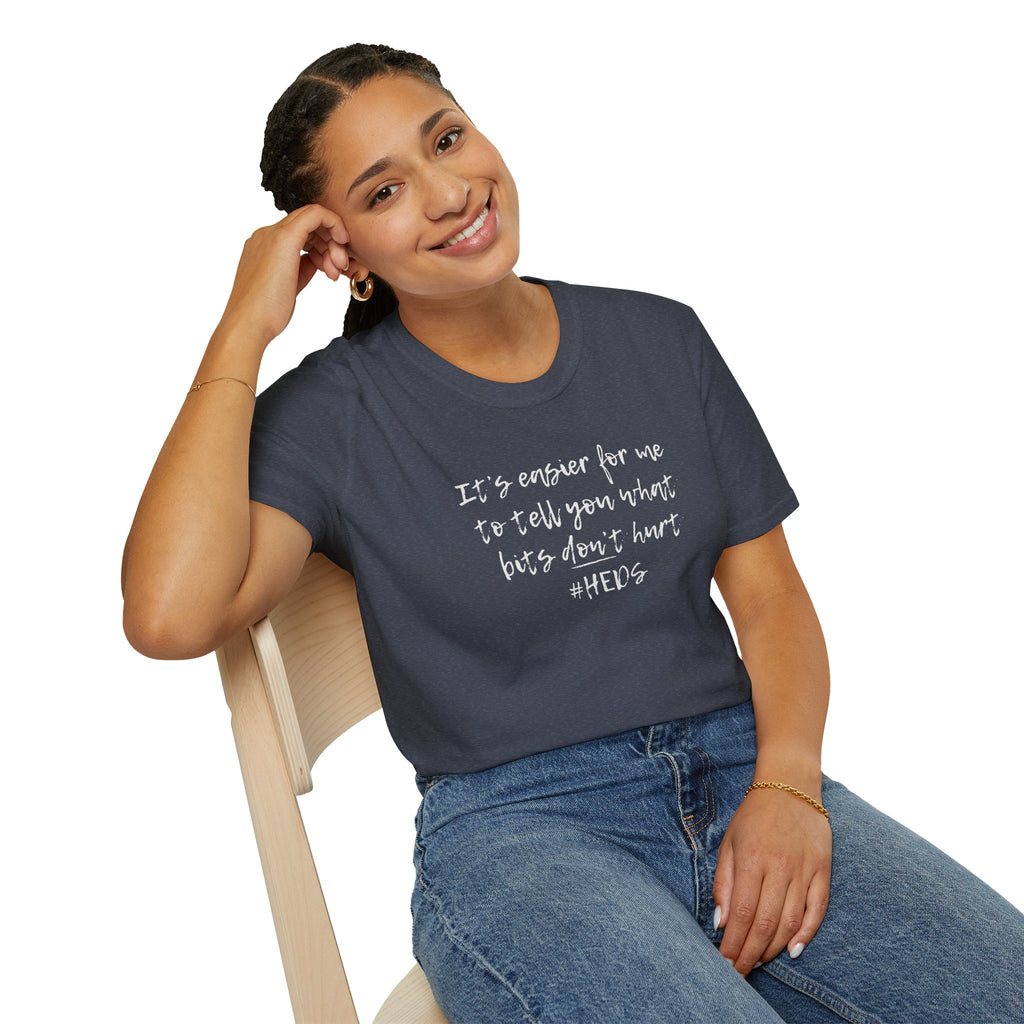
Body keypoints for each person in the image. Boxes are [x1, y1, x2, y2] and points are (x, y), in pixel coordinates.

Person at [122, 43, 1024, 1023]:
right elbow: (170, 614)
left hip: (744, 771)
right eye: (384, 192)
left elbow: (768, 601)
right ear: (343, 254)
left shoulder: (660, 339)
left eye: (448, 139)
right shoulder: (333, 414)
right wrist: (241, 329)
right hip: (523, 833)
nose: (448, 191)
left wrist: (789, 787)